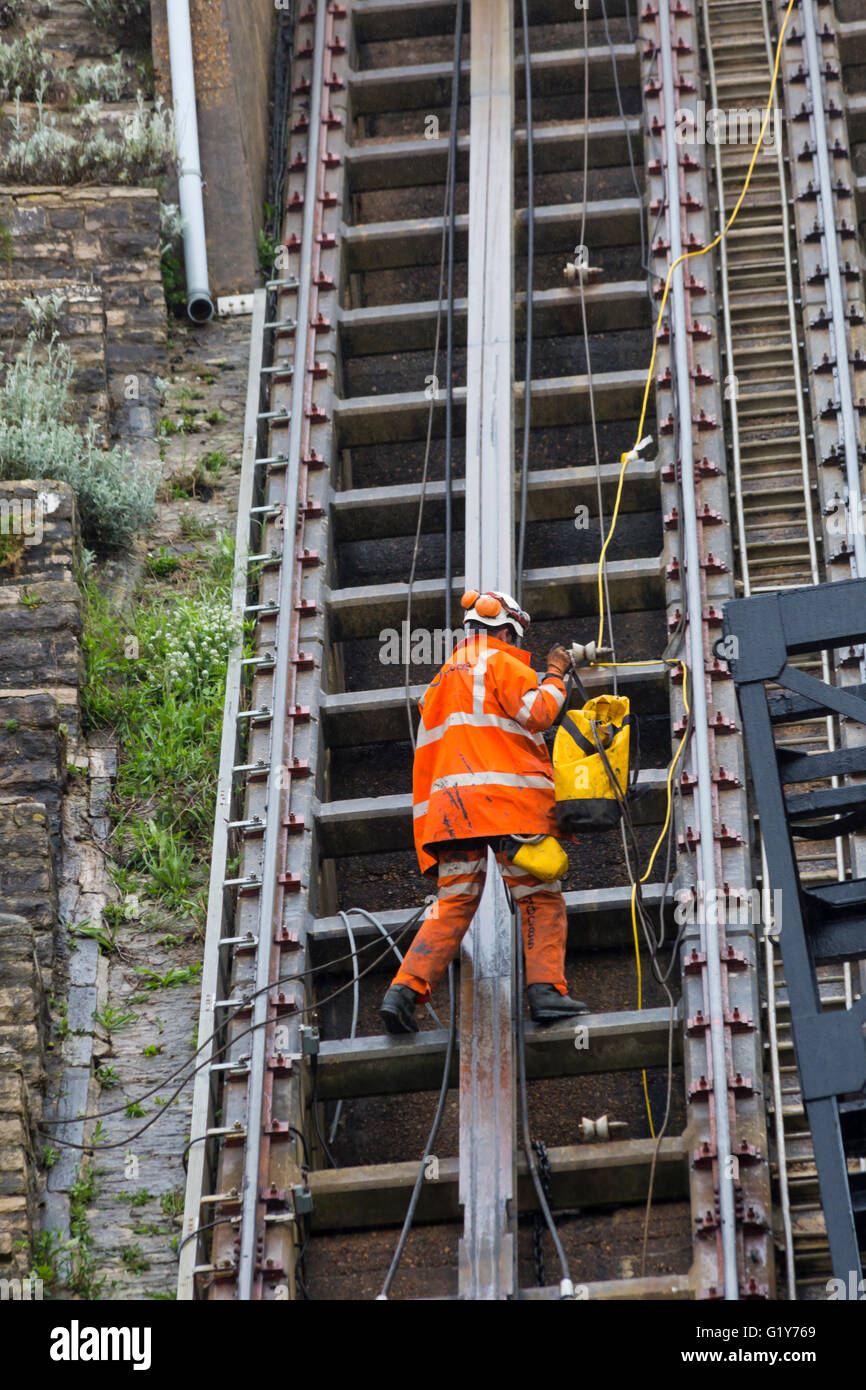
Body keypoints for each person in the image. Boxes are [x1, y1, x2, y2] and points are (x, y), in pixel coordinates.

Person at [379, 588, 590, 1034]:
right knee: (539, 896)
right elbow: (539, 712)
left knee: (452, 905)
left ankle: (403, 992)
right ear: (508, 628)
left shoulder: (436, 685)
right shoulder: (500, 662)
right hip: (507, 809)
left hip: (452, 816)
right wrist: (556, 673)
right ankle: (546, 992)